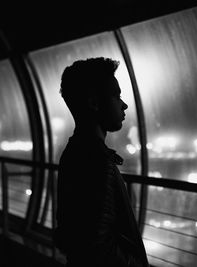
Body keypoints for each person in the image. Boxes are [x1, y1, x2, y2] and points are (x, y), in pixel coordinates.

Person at [54, 57, 149, 267]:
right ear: (94, 103)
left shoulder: (75, 152)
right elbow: (98, 248)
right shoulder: (96, 161)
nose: (123, 105)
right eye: (116, 96)